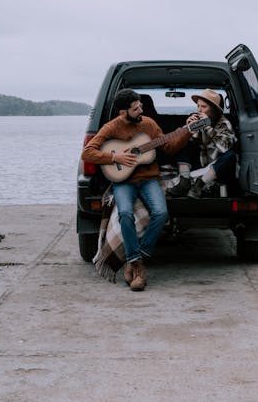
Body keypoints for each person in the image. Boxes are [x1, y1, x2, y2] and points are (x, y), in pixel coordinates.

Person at [81, 88, 189, 291]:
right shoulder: (111, 128)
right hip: (123, 181)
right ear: (123, 112)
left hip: (149, 179)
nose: (141, 110)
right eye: (136, 108)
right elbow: (87, 153)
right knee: (124, 214)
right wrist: (115, 158)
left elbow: (169, 147)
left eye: (141, 106)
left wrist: (187, 131)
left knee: (161, 212)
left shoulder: (149, 123)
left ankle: (137, 260)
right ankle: (137, 264)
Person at [166, 88, 238, 198]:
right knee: (185, 143)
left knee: (231, 156)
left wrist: (208, 128)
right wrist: (188, 129)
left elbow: (224, 149)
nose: (199, 110)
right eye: (198, 106)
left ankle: (199, 185)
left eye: (203, 107)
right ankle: (184, 180)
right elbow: (182, 143)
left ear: (213, 110)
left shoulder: (224, 123)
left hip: (217, 167)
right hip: (200, 162)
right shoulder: (198, 121)